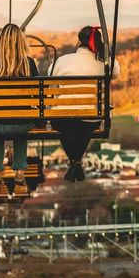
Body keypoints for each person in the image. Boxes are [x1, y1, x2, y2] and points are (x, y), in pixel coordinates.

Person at [48, 26, 120, 182]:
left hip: (62, 121)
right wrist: (106, 53)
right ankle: (75, 163)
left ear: (79, 41)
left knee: (66, 122)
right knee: (84, 122)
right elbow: (116, 73)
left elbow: (50, 81)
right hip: (91, 120)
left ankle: (74, 162)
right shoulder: (104, 62)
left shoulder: (62, 61)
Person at [0, 23, 39, 186]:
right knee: (20, 122)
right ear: (21, 42)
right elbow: (39, 92)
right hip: (23, 124)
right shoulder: (29, 64)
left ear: (0, 42)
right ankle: (20, 169)